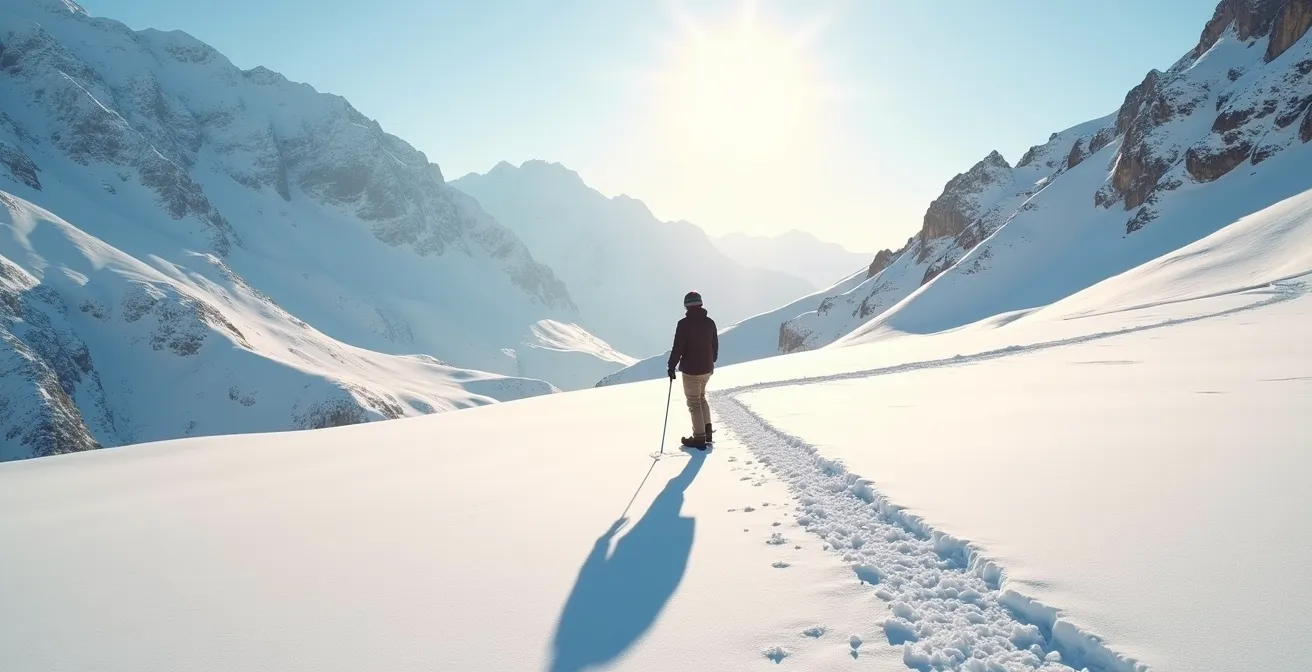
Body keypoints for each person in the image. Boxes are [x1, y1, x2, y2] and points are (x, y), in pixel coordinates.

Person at [667, 291, 718, 449]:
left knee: (694, 402)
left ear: (686, 306)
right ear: (700, 303)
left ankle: (699, 438)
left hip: (691, 371)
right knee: (701, 398)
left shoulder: (684, 324)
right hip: (707, 369)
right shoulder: (710, 323)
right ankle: (707, 433)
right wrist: (710, 361)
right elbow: (714, 346)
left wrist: (671, 366)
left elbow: (678, 348)